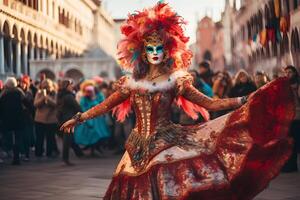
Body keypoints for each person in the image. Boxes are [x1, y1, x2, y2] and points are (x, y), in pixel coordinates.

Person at [61, 3, 295, 199]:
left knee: (165, 185)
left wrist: (246, 98)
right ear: (142, 52)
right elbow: (105, 105)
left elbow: (211, 104)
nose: (154, 52)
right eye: (150, 48)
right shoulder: (130, 83)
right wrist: (79, 117)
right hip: (135, 148)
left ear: (166, 50)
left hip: (166, 142)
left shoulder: (176, 81)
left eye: (159, 48)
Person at [74, 84, 111, 156]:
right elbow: (82, 108)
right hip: (88, 119)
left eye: (90, 91)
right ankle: (92, 150)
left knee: (98, 134)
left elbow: (99, 105)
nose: (89, 93)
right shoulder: (84, 99)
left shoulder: (97, 97)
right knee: (90, 135)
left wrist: (93, 100)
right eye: (88, 91)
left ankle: (95, 149)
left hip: (97, 119)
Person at [56, 79, 84, 165]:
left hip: (62, 119)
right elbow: (78, 107)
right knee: (67, 139)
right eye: (70, 85)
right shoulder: (69, 96)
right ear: (66, 86)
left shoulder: (60, 95)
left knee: (69, 138)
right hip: (68, 119)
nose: (72, 86)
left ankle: (79, 153)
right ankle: (65, 159)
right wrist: (81, 115)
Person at [0, 77, 26, 165]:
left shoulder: (3, 94)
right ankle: (16, 157)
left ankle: (8, 152)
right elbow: (27, 104)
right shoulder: (20, 92)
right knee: (18, 138)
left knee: (7, 137)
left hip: (7, 119)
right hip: (19, 119)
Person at [34, 79, 58, 158]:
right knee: (39, 137)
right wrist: (42, 98)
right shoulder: (39, 93)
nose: (45, 88)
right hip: (39, 119)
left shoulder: (54, 93)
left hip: (51, 120)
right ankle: (39, 152)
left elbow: (55, 104)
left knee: (50, 137)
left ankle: (49, 152)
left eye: (47, 86)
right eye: (44, 86)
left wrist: (47, 97)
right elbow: (36, 104)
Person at [282, 65, 300, 172]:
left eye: (290, 72)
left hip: (297, 117)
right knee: (289, 141)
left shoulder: (297, 85)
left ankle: (293, 165)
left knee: (296, 141)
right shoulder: (284, 86)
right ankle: (290, 165)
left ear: (295, 73)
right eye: (286, 72)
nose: (288, 74)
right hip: (288, 117)